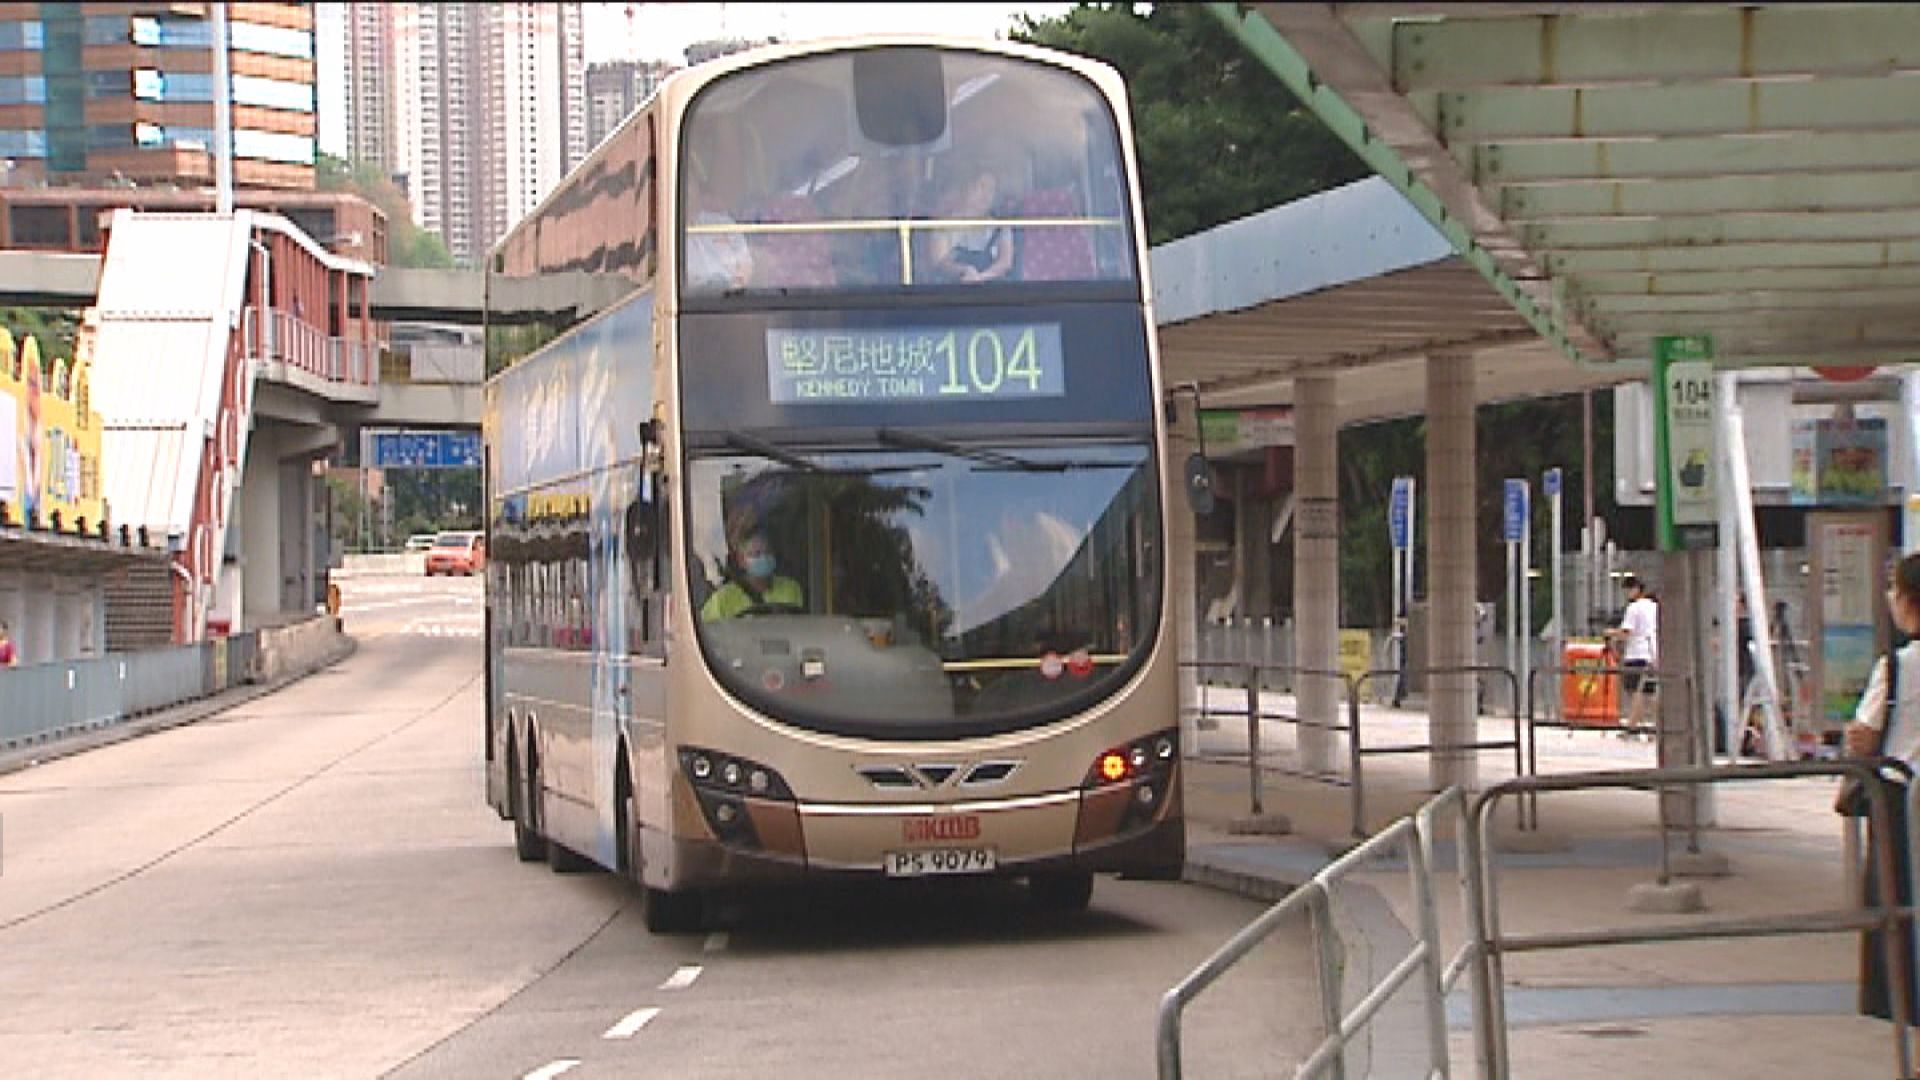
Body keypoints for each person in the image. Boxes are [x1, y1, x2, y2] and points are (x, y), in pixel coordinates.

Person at [1843, 551, 1920, 1024]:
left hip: (1899, 802)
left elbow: (1865, 733)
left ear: (1911, 602)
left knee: (1897, 910)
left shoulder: (1897, 666)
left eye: (1894, 590)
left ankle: (1905, 1014)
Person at [929, 169, 1015, 284]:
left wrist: (980, 277)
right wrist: (964, 270)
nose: (986, 194)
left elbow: (1005, 262)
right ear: (967, 188)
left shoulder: (1000, 226)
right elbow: (939, 262)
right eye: (981, 187)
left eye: (991, 189)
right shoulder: (944, 225)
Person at [701, 528, 803, 622]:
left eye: (768, 552)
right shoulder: (722, 599)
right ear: (741, 561)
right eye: (756, 554)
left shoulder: (792, 588)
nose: (764, 558)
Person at [1606, 575, 1659, 734]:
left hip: (1637, 653)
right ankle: (1657, 725)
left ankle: (1633, 726)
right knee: (1650, 692)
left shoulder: (1634, 608)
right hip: (1653, 652)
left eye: (1629, 590)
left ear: (1636, 589)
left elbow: (1626, 632)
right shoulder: (1654, 606)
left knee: (1636, 691)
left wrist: (1611, 633)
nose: (1627, 593)